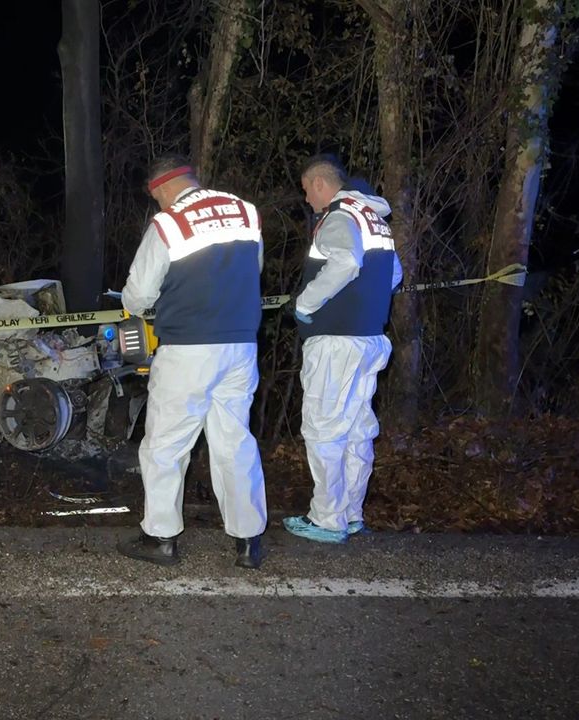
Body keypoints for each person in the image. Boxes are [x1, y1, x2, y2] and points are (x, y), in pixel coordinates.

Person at [116, 155, 268, 569]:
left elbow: (138, 294)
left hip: (187, 349)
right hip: (240, 347)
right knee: (234, 442)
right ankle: (248, 540)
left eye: (157, 198)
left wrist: (141, 306)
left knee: (165, 446)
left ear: (162, 188)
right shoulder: (245, 212)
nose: (159, 205)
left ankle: (161, 538)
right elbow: (253, 270)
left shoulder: (169, 223)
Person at [284, 154, 403, 543]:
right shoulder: (374, 220)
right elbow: (394, 274)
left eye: (307, 190)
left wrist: (305, 304)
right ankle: (351, 514)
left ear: (320, 183)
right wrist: (365, 303)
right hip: (369, 339)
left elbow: (345, 263)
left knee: (324, 428)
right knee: (357, 430)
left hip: (335, 342)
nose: (307, 199)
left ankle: (326, 520)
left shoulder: (338, 217)